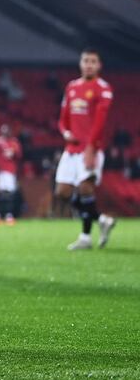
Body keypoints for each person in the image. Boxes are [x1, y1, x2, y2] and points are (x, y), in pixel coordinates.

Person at [54, 48, 115, 250]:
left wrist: (91, 149)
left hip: (91, 148)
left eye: (93, 61)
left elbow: (100, 122)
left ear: (99, 65)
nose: (89, 64)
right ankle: (102, 219)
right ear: (80, 64)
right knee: (62, 192)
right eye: (86, 60)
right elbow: (63, 120)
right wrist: (65, 133)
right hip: (71, 148)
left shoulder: (103, 88)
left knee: (85, 188)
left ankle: (85, 237)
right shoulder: (71, 87)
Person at [0, 124, 22, 225]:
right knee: (4, 194)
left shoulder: (14, 142)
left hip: (11, 171)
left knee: (9, 193)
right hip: (1, 171)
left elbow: (19, 154)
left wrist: (13, 153)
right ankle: (5, 216)